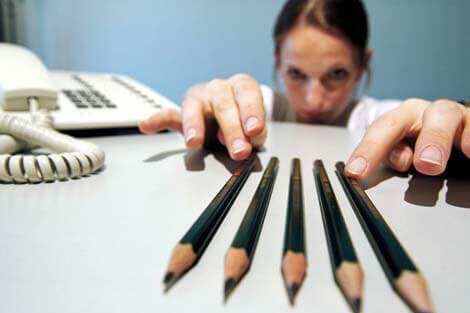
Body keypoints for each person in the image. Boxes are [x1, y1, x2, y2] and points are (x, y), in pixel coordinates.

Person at [139, 0, 469, 179]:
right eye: (295, 73)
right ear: (277, 61)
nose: (314, 100)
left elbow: (418, 119)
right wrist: (207, 108)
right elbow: (221, 99)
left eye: (336, 74)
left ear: (362, 66)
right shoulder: (263, 109)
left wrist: (455, 120)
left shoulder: (376, 119)